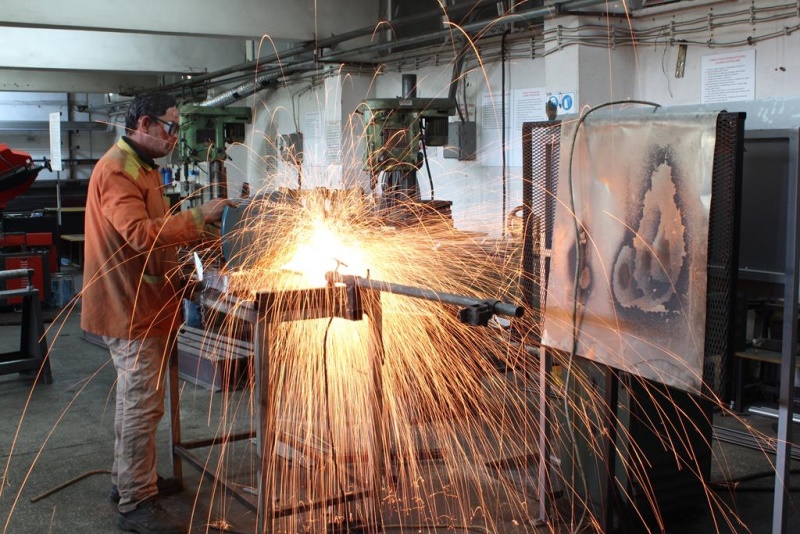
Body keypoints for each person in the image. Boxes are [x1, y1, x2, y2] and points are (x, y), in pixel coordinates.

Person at [81, 92, 234, 534]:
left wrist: (196, 250)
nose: (174, 136)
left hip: (145, 304)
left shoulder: (144, 167)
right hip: (129, 309)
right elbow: (141, 234)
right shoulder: (118, 170)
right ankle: (136, 503)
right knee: (141, 406)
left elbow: (157, 236)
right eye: (169, 127)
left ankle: (128, 480)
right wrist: (198, 216)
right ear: (144, 123)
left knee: (137, 403)